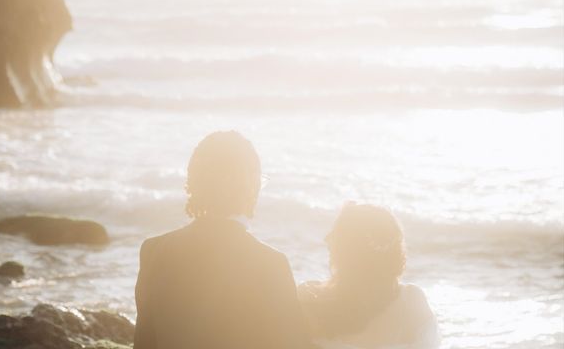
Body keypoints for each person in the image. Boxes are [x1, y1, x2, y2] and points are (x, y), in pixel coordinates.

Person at [134, 130, 311, 349]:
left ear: (194, 183)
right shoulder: (270, 263)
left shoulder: (153, 251)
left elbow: (144, 343)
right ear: (251, 186)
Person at [299, 203, 439, 348]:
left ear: (346, 251)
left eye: (336, 234)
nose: (327, 239)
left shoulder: (309, 300)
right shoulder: (410, 302)